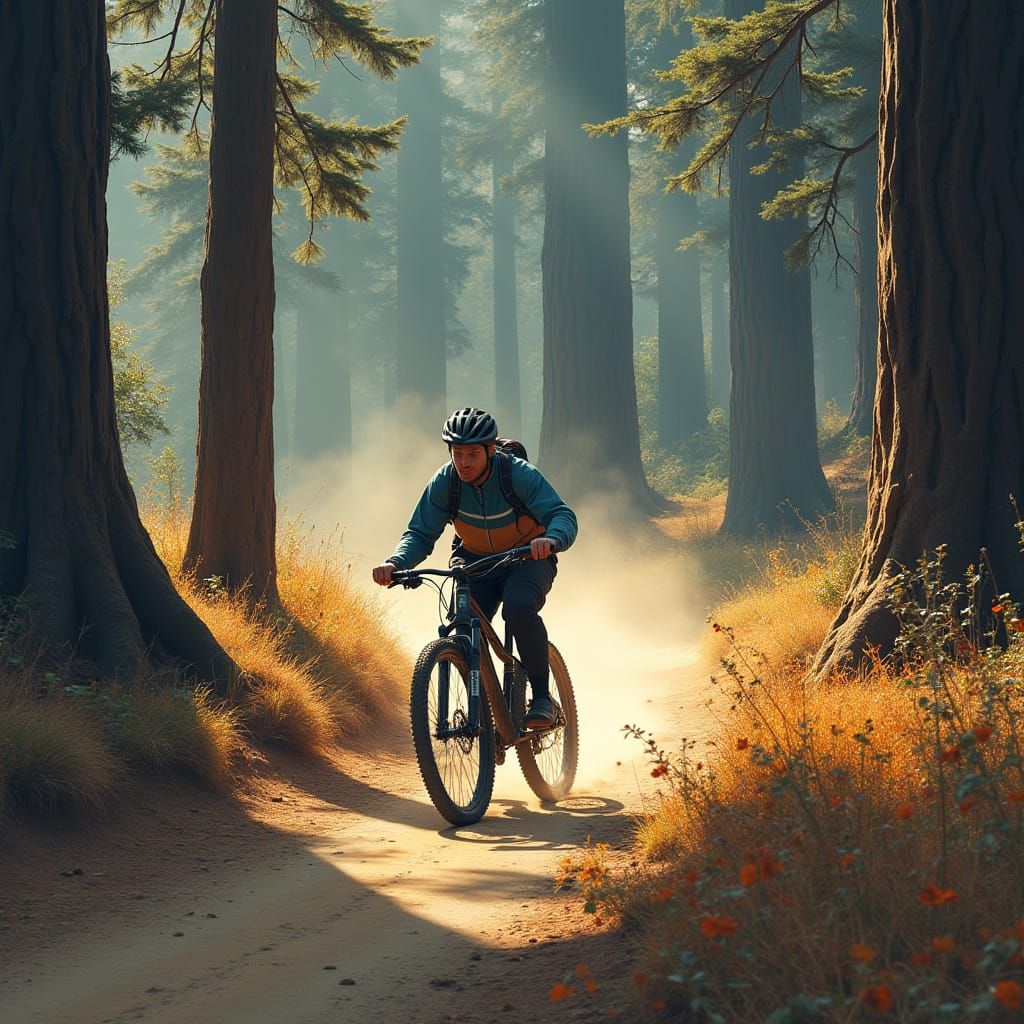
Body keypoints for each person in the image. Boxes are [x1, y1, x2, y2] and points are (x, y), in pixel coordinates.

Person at [372, 407, 577, 728]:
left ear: (490, 450)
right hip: (476, 562)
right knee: (463, 626)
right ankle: (481, 714)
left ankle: (541, 698)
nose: (464, 462)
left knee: (518, 608)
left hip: (528, 558)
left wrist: (551, 539)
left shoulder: (518, 475)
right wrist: (395, 562)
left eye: (472, 454)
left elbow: (562, 515)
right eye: (457, 454)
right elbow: (420, 534)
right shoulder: (446, 482)